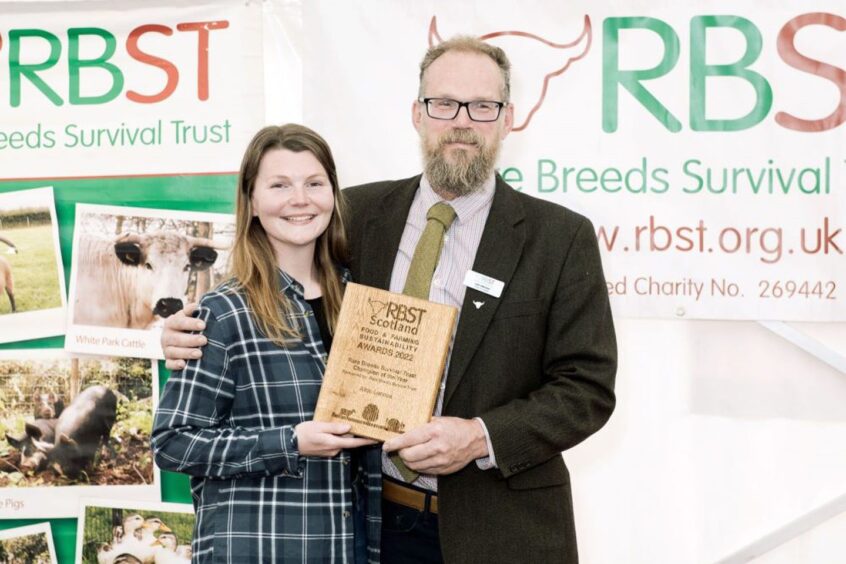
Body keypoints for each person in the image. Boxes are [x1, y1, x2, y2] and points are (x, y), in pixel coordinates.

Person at [162, 36, 617, 563]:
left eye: (483, 106)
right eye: (443, 104)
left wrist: (478, 436)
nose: (461, 121)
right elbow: (274, 275)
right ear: (417, 114)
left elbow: (587, 388)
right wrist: (191, 326)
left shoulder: (559, 237)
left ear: (508, 118)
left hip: (504, 530)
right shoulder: (356, 214)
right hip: (372, 524)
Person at [151, 124, 382, 563]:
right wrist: (290, 442)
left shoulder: (359, 304)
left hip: (347, 546)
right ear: (253, 202)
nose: (300, 199)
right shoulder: (224, 312)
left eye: (314, 183)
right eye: (280, 185)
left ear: (333, 194)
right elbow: (172, 441)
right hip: (259, 547)